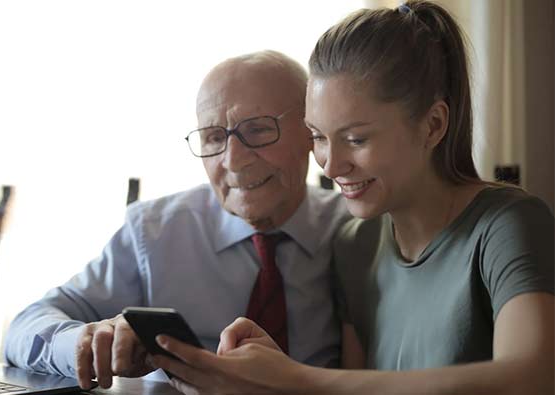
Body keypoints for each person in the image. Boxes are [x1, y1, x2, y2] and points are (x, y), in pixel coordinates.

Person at [150, 2, 555, 394]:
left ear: (433, 125)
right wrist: (270, 377)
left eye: (355, 139)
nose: (330, 166)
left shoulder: (507, 224)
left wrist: (294, 378)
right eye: (318, 137)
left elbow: (530, 381)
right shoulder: (354, 244)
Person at [3, 50, 351, 390]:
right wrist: (87, 341)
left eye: (258, 130)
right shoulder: (154, 233)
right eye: (214, 137)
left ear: (311, 133)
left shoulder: (355, 232)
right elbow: (24, 329)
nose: (233, 161)